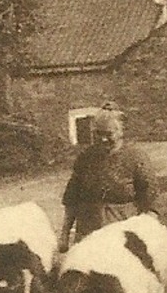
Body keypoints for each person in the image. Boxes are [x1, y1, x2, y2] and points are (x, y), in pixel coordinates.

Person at [59, 103, 157, 250]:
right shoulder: (85, 158)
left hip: (124, 235)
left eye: (108, 134)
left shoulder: (136, 158)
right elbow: (72, 199)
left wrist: (148, 237)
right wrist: (65, 235)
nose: (103, 139)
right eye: (98, 133)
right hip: (88, 233)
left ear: (121, 132)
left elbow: (150, 202)